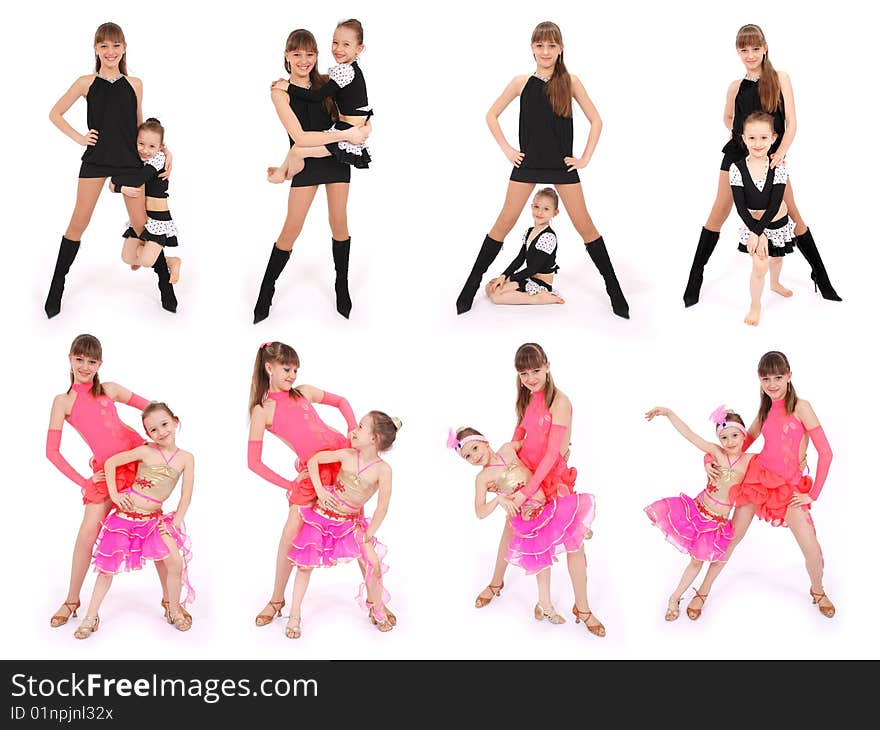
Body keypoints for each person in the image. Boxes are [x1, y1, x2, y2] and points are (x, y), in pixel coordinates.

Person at [455, 21, 628, 318]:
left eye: (551, 46)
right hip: (529, 164)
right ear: (532, 48)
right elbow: (491, 115)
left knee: (585, 225)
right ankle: (470, 285)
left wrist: (583, 158)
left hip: (561, 166)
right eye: (540, 45)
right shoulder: (521, 82)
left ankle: (614, 290)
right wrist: (508, 150)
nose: (545, 51)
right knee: (503, 223)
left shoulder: (570, 81)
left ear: (560, 49)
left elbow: (597, 121)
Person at [683, 23, 841, 307]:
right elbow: (728, 118)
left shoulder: (780, 78)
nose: (750, 54)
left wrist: (778, 152)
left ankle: (822, 277)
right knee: (718, 212)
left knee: (792, 213)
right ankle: (695, 278)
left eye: (755, 48)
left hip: (772, 155)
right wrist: (744, 139)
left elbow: (791, 123)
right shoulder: (735, 86)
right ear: (737, 52)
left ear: (765, 48)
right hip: (738, 154)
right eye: (744, 49)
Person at [687, 351, 835, 620]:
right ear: (760, 381)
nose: (772, 383)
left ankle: (818, 590)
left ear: (789, 376)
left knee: (811, 549)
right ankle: (702, 592)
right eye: (766, 378)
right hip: (757, 479)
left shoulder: (802, 407)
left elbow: (826, 453)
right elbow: (736, 446)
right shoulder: (765, 411)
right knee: (731, 540)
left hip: (788, 489)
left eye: (778, 376)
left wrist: (811, 494)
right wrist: (709, 458)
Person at [45, 22, 176, 317]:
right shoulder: (86, 82)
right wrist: (80, 137)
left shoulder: (135, 84)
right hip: (96, 159)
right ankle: (57, 287)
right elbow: (55, 113)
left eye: (116, 45)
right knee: (78, 223)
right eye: (104, 46)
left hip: (130, 160)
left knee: (143, 226)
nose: (110, 51)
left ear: (125, 48)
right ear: (95, 49)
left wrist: (164, 149)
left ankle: (165, 285)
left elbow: (142, 128)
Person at [253, 29, 371, 322]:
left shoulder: (327, 83)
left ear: (316, 56)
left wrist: (364, 130)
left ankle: (341, 286)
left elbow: (354, 116)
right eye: (296, 54)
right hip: (310, 159)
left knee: (339, 223)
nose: (303, 60)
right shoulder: (280, 91)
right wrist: (348, 135)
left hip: (333, 157)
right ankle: (266, 290)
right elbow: (300, 138)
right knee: (291, 228)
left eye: (309, 54)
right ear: (286, 56)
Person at [452, 427, 603, 635]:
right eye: (467, 456)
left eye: (475, 448)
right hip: (529, 516)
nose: (475, 456)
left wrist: (560, 448)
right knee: (542, 559)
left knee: (566, 519)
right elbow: (480, 512)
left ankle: (576, 529)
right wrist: (498, 499)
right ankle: (545, 604)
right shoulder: (483, 478)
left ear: (485, 441)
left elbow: (535, 445)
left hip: (547, 500)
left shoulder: (508, 449)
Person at [74, 402, 195, 638]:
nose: (161, 432)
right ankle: (91, 616)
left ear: (175, 422)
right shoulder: (146, 451)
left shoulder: (186, 459)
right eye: (153, 430)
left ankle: (173, 607)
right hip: (126, 517)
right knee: (106, 569)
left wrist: (175, 522)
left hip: (153, 521)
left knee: (175, 563)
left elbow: (186, 495)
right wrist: (116, 494)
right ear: (147, 434)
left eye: (164, 424)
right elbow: (111, 463)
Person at [285, 411, 399, 638]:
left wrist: (370, 532)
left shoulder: (383, 470)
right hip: (322, 516)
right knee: (305, 565)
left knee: (373, 563)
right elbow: (316, 460)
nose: (353, 431)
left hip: (348, 523)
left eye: (360, 427)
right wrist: (318, 489)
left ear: (374, 439)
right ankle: (294, 614)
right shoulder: (348, 454)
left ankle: (376, 607)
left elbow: (382, 507)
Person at [643, 406, 755, 621]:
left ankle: (689, 595)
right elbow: (690, 435)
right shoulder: (716, 453)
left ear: (743, 435)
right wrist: (669, 413)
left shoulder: (750, 460)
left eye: (734, 435)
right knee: (696, 562)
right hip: (698, 513)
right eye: (724, 437)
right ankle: (674, 598)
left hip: (718, 523)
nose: (730, 441)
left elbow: (775, 463)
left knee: (702, 560)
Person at [268, 19, 371, 180]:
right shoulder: (347, 71)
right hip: (347, 127)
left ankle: (284, 174)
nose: (338, 49)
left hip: (348, 129)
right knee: (297, 149)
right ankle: (284, 172)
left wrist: (287, 87)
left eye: (346, 44)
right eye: (335, 43)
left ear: (359, 48)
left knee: (297, 151)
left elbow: (316, 96)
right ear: (287, 56)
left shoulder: (345, 71)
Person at [110, 117, 182, 284]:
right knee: (127, 257)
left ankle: (172, 261)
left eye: (152, 146)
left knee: (146, 261)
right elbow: (112, 185)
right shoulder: (136, 159)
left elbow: (136, 180)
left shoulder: (158, 158)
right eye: (141, 144)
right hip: (141, 216)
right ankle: (144, 253)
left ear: (161, 147)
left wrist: (116, 183)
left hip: (157, 218)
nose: (145, 150)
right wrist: (120, 187)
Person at [485, 188, 565, 305]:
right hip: (528, 277)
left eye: (546, 209)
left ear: (555, 213)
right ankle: (522, 291)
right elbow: (520, 259)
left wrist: (509, 279)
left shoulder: (548, 236)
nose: (539, 212)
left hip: (540, 282)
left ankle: (540, 297)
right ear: (532, 206)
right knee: (489, 287)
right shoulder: (529, 232)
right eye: (537, 207)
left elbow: (534, 269)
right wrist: (504, 276)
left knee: (496, 297)